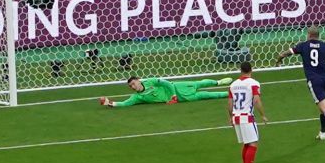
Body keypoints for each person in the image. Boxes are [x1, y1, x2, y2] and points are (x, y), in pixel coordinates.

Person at [229, 61, 269, 163]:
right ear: (251, 70)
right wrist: (263, 115)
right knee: (253, 142)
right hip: (247, 117)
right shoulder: (254, 83)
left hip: (236, 117)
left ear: (240, 70)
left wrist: (230, 117)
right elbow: (256, 100)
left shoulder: (233, 85)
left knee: (247, 143)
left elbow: (230, 103)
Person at [99, 74, 233, 106]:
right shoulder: (138, 97)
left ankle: (218, 81)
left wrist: (173, 94)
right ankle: (230, 93)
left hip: (176, 87)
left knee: (198, 83)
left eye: (133, 83)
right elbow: (124, 103)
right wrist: (109, 103)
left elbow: (167, 83)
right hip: (181, 98)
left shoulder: (150, 81)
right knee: (205, 95)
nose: (133, 87)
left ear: (139, 80)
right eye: (131, 86)